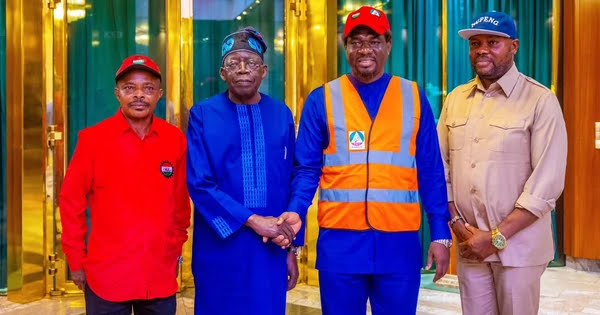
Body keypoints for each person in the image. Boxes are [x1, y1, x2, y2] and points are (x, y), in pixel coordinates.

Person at [288, 6, 452, 315]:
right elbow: (306, 171)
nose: (365, 49)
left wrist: (440, 232)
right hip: (340, 246)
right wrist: (296, 233)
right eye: (356, 41)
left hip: (398, 245)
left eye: (374, 40)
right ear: (345, 45)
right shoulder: (321, 99)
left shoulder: (413, 97)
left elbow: (430, 169)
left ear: (389, 45)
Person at [438, 11, 567, 315]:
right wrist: (458, 225)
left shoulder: (540, 101)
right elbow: (439, 167)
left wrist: (495, 238)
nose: (482, 49)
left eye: (493, 42)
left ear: (514, 46)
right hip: (470, 244)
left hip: (518, 249)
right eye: (475, 43)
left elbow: (546, 184)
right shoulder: (456, 99)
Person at [59, 54, 191, 315]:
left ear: (159, 94)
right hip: (106, 276)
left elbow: (180, 206)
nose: (139, 95)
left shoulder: (174, 139)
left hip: (158, 277)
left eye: (148, 88)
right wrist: (76, 260)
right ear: (117, 93)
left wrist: (172, 248)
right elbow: (70, 202)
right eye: (130, 88)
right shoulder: (93, 140)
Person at [186, 27, 303, 315]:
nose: (242, 70)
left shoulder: (281, 114)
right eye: (233, 63)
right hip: (219, 244)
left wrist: (292, 246)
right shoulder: (202, 114)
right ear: (222, 73)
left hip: (271, 246)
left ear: (263, 71)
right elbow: (199, 183)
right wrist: (253, 220)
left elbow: (294, 176)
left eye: (250, 63)